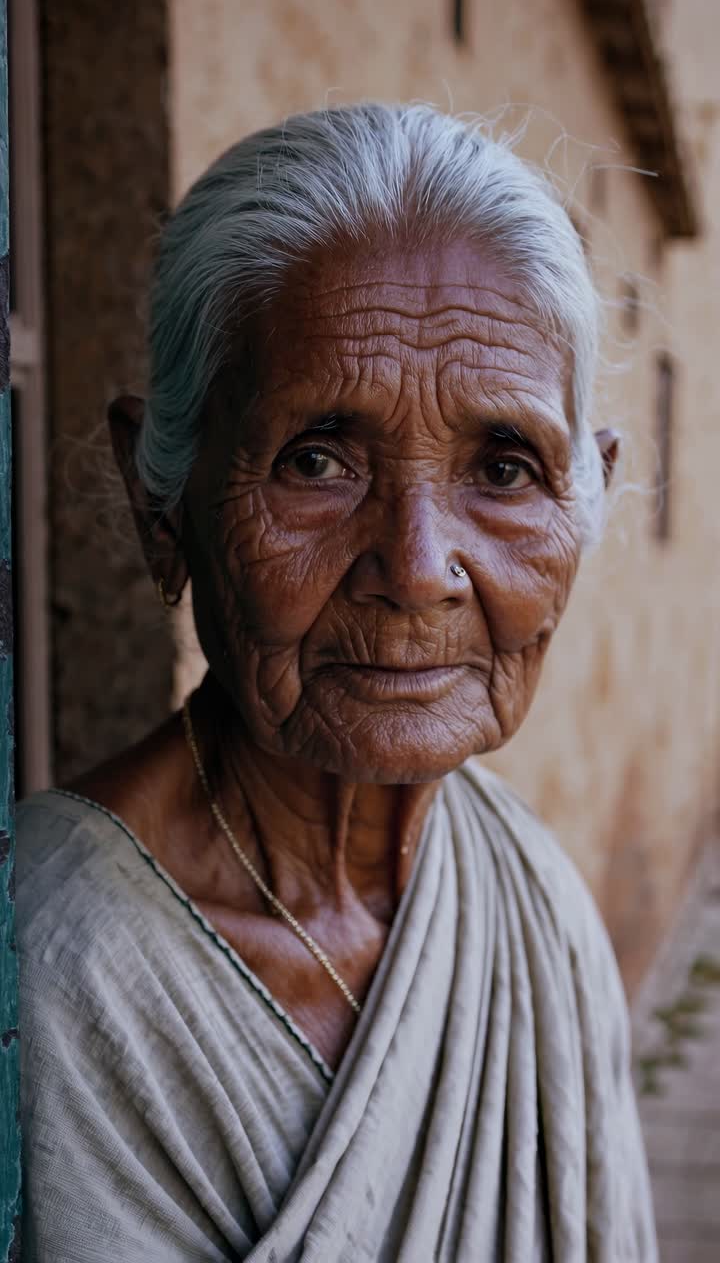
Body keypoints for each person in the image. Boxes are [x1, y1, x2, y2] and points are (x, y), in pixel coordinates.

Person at [16, 103, 657, 1261]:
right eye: (318, 458)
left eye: (504, 466)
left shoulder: (537, 909)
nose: (417, 569)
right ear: (166, 506)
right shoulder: (43, 962)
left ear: (587, 500)